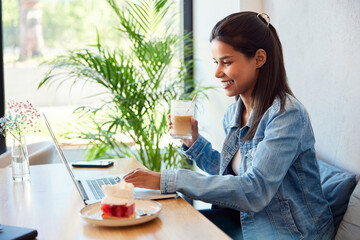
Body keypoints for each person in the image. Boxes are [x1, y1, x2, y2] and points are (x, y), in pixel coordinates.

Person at [124, 11, 335, 240]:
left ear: (259, 59)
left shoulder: (286, 116)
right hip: (246, 221)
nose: (217, 73)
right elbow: (232, 178)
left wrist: (167, 179)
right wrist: (194, 143)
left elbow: (254, 191)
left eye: (226, 62)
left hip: (290, 233)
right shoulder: (234, 114)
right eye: (216, 62)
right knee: (167, 225)